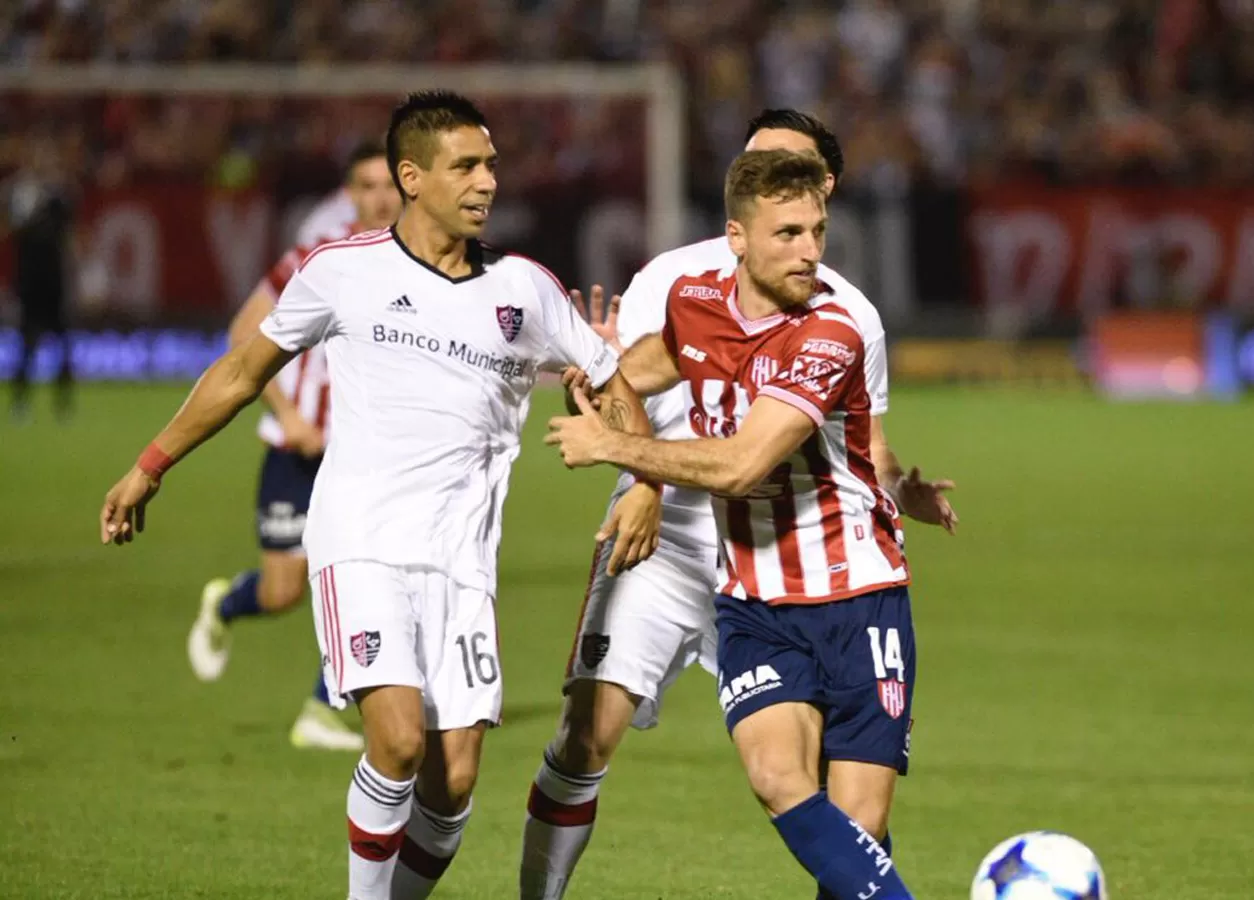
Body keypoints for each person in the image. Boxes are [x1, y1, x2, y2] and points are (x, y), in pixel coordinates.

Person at [99, 90, 651, 900]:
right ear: (411, 177)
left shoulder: (526, 292)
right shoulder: (342, 272)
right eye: (465, 165)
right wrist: (150, 464)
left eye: (491, 164)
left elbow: (613, 384)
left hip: (463, 563)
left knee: (453, 782)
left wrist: (638, 476)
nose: (486, 181)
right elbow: (242, 372)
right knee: (394, 743)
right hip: (360, 541)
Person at [520, 110, 956, 900]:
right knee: (772, 777)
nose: (810, 251)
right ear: (738, 232)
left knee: (856, 833)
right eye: (788, 232)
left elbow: (744, 462)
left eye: (816, 231)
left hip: (856, 595)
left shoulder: (834, 328)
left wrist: (618, 450)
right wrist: (596, 376)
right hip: (751, 593)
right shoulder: (689, 297)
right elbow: (625, 374)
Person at [186, 139, 400, 752]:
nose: (379, 198)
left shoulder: (424, 268)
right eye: (366, 186)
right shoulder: (314, 259)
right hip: (295, 451)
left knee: (366, 579)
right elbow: (241, 333)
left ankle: (320, 707)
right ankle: (226, 604)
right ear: (349, 195)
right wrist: (290, 412)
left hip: (364, 460)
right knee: (282, 590)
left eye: (388, 185)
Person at [5, 133, 76, 421]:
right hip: (28, 279)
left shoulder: (59, 194)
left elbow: (70, 235)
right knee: (26, 342)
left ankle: (63, 403)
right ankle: (21, 402)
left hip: (54, 279)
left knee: (62, 341)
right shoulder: (16, 192)